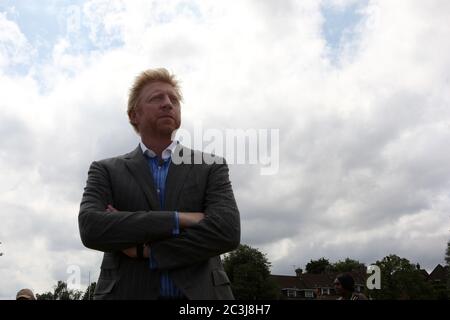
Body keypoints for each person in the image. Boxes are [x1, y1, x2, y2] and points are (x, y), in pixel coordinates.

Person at [78, 68, 240, 300]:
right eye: (157, 98)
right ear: (134, 115)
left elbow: (227, 231)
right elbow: (91, 228)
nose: (167, 103)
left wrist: (147, 251)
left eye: (173, 99)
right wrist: (180, 218)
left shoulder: (211, 166)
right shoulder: (105, 170)